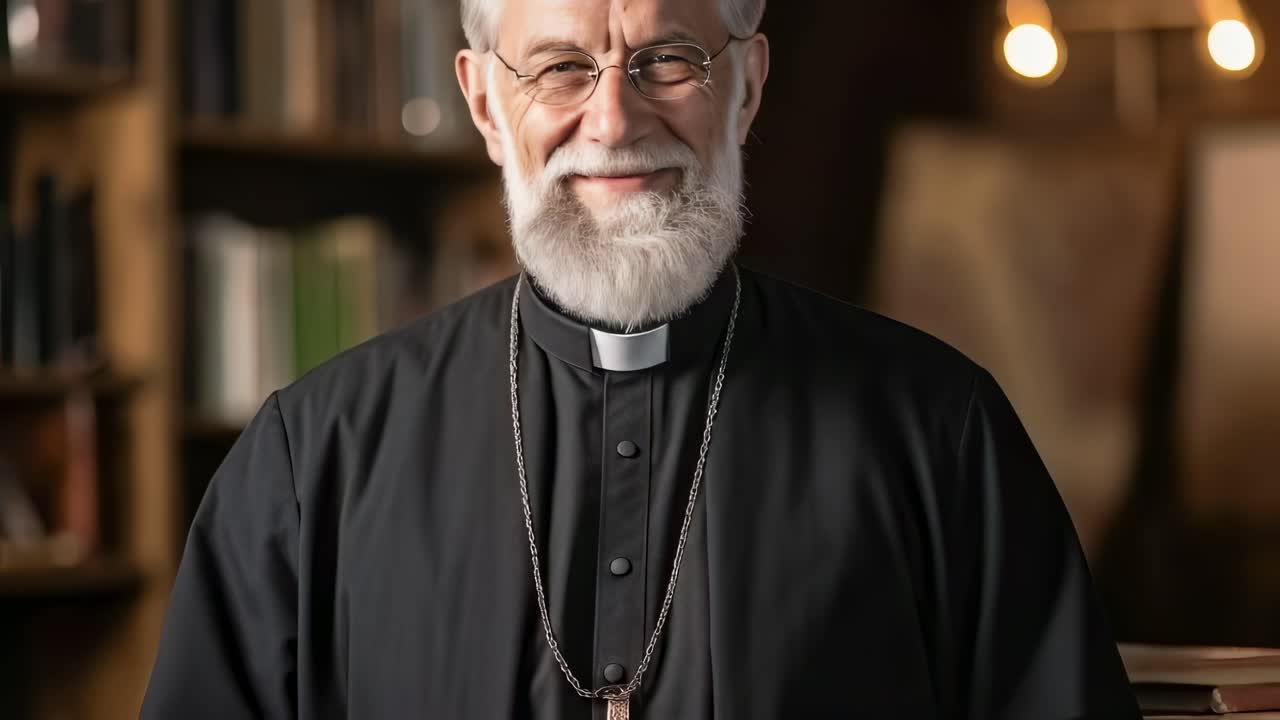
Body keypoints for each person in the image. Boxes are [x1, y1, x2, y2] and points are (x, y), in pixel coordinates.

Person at [141, 0, 1142, 717]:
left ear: (745, 87)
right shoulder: (309, 461)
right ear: (487, 106)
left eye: (664, 59)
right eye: (560, 67)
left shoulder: (937, 429)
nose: (613, 123)